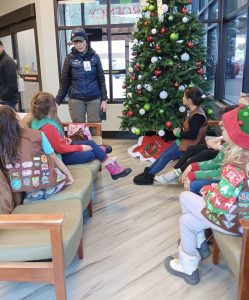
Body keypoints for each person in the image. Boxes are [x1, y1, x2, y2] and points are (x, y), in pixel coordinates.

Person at [165, 104, 249, 285]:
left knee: (185, 197)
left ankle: (197, 250)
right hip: (240, 219)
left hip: (236, 223)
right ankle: (190, 264)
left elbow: (218, 204)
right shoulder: (244, 158)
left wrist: (207, 191)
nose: (221, 126)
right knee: (186, 221)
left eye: (226, 126)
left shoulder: (235, 165)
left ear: (236, 134)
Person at [31, 92, 132, 180]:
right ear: (51, 108)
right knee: (90, 154)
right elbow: (60, 149)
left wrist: (64, 139)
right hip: (59, 156)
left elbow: (53, 141)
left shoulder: (39, 121)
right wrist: (81, 147)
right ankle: (104, 159)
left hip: (60, 149)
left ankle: (109, 164)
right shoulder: (47, 126)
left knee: (91, 143)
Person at [133, 87, 208, 185]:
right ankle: (148, 172)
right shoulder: (193, 111)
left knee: (165, 157)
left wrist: (178, 133)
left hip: (189, 144)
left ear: (189, 100)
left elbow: (193, 134)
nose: (182, 98)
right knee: (163, 155)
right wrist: (180, 131)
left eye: (184, 96)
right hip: (183, 141)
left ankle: (149, 176)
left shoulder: (198, 115)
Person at [0, 105, 74, 201]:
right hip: (52, 185)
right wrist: (69, 176)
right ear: (17, 118)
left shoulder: (3, 145)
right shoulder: (37, 134)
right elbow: (54, 157)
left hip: (29, 192)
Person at [56, 27, 108, 123]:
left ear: (85, 40)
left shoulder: (95, 57)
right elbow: (64, 83)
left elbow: (101, 79)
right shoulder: (69, 58)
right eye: (75, 42)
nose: (78, 45)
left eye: (80, 41)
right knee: (78, 129)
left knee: (95, 127)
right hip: (76, 99)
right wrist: (56, 102)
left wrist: (104, 99)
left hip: (94, 98)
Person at [0, 40, 19, 109]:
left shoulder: (7, 62)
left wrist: (1, 96)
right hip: (4, 100)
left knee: (9, 119)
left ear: (1, 47)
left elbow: (12, 85)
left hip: (7, 101)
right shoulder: (2, 60)